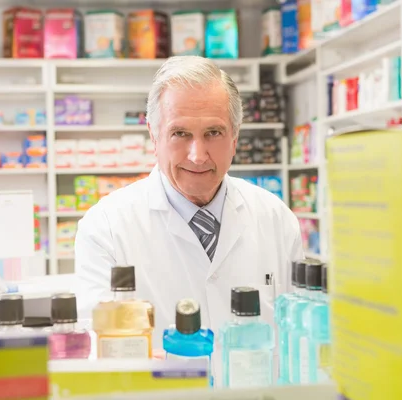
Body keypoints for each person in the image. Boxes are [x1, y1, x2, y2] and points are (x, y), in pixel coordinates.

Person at [75, 56, 303, 348]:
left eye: (214, 133)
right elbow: (96, 353)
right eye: (180, 133)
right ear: (154, 136)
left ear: (235, 138)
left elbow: (300, 339)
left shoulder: (276, 219)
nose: (197, 155)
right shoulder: (105, 228)